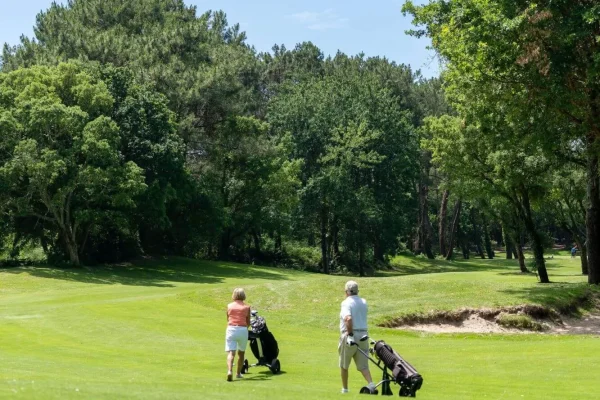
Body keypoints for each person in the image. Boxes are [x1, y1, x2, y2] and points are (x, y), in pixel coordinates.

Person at [338, 280, 376, 394]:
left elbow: (348, 318)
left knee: (344, 364)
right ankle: (371, 384)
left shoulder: (346, 303)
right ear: (357, 291)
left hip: (351, 334)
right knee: (363, 365)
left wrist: (350, 335)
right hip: (364, 335)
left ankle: (345, 389)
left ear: (346, 291)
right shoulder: (363, 302)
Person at [225, 288, 251, 381]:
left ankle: (229, 371)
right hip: (242, 329)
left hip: (231, 328)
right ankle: (238, 373)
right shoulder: (247, 307)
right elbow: (248, 322)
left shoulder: (229, 306)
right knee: (241, 353)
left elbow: (228, 318)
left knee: (231, 352)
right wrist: (244, 328)